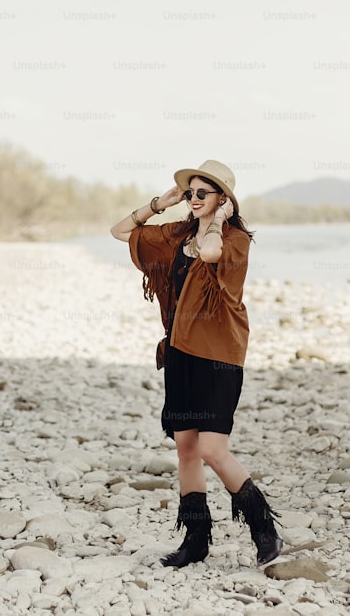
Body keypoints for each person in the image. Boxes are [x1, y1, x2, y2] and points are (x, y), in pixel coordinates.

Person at [109, 160, 282, 568]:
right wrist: (158, 204)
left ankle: (265, 529)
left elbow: (210, 252)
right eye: (189, 193)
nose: (193, 199)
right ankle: (196, 541)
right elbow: (121, 232)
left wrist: (218, 221)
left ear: (223, 200)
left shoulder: (234, 240)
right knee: (186, 448)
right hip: (181, 353)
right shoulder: (177, 233)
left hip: (219, 357)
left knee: (212, 448)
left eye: (202, 193)